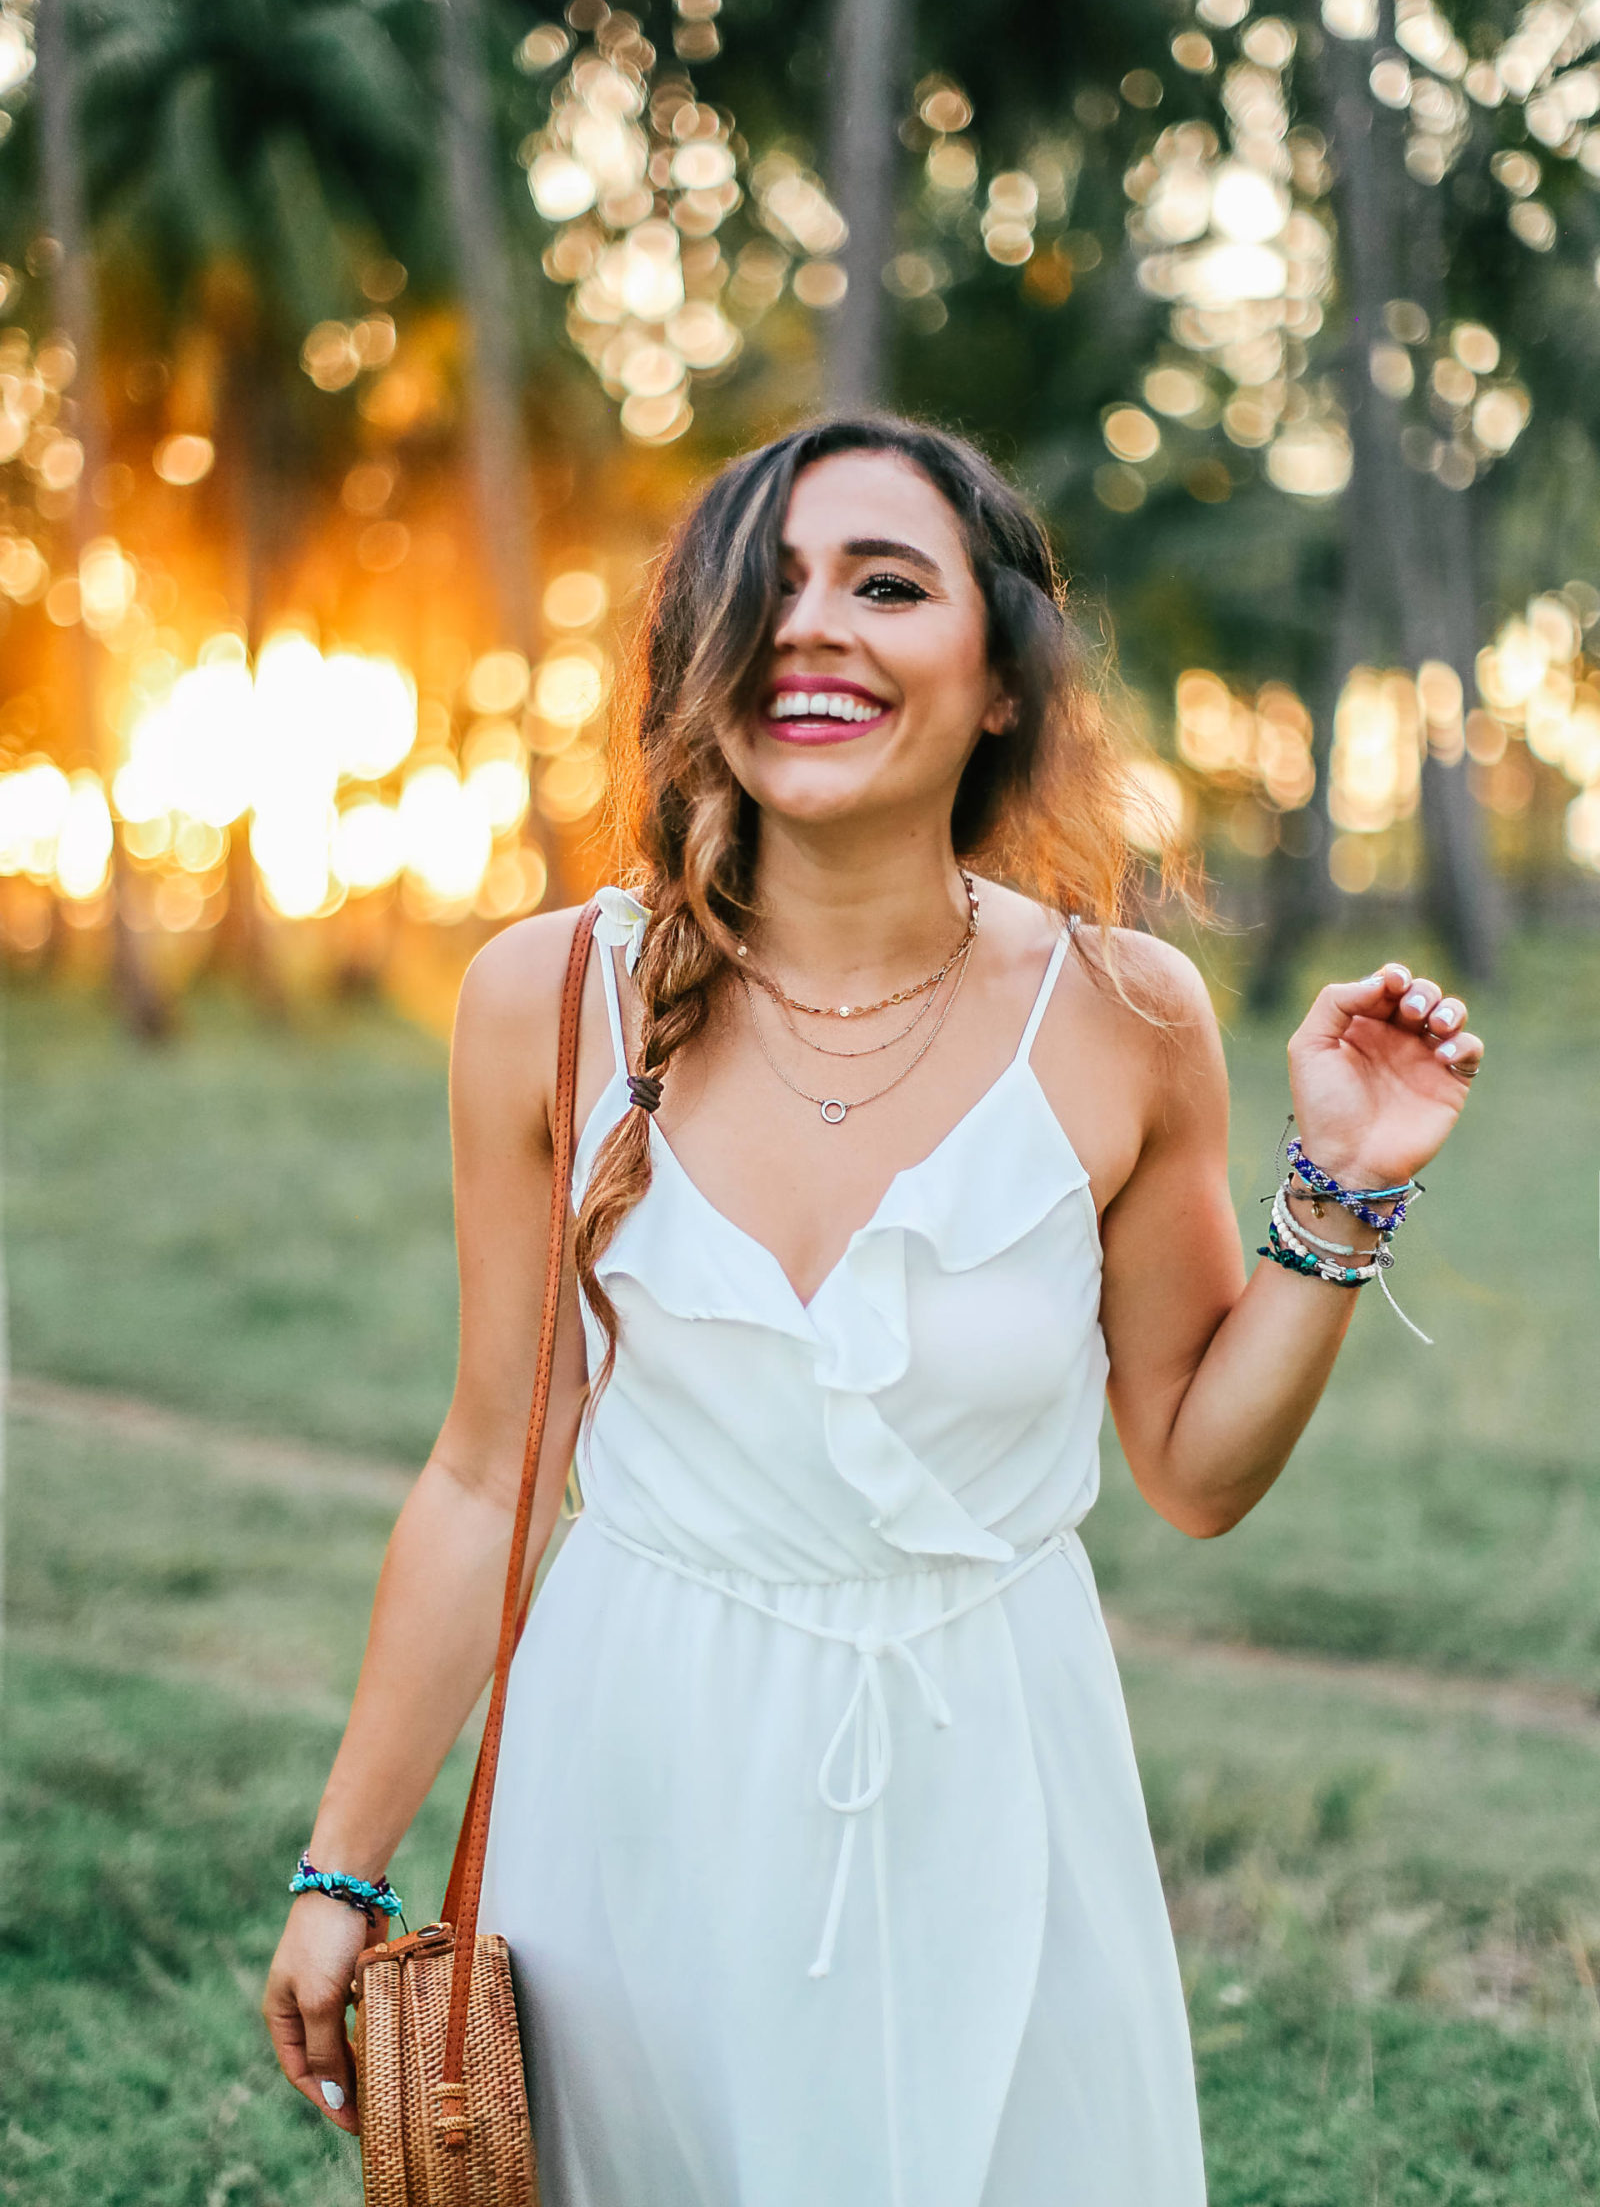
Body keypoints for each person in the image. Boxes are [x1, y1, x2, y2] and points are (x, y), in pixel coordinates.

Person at [264, 416, 1484, 2204]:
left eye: (885, 584)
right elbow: (482, 1471)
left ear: (1001, 678)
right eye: (760, 589)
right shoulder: (544, 998)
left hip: (995, 1781)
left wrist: (1344, 1186)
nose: (809, 626)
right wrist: (342, 1866)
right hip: (636, 1786)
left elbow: (1196, 1470)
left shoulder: (1127, 1014)